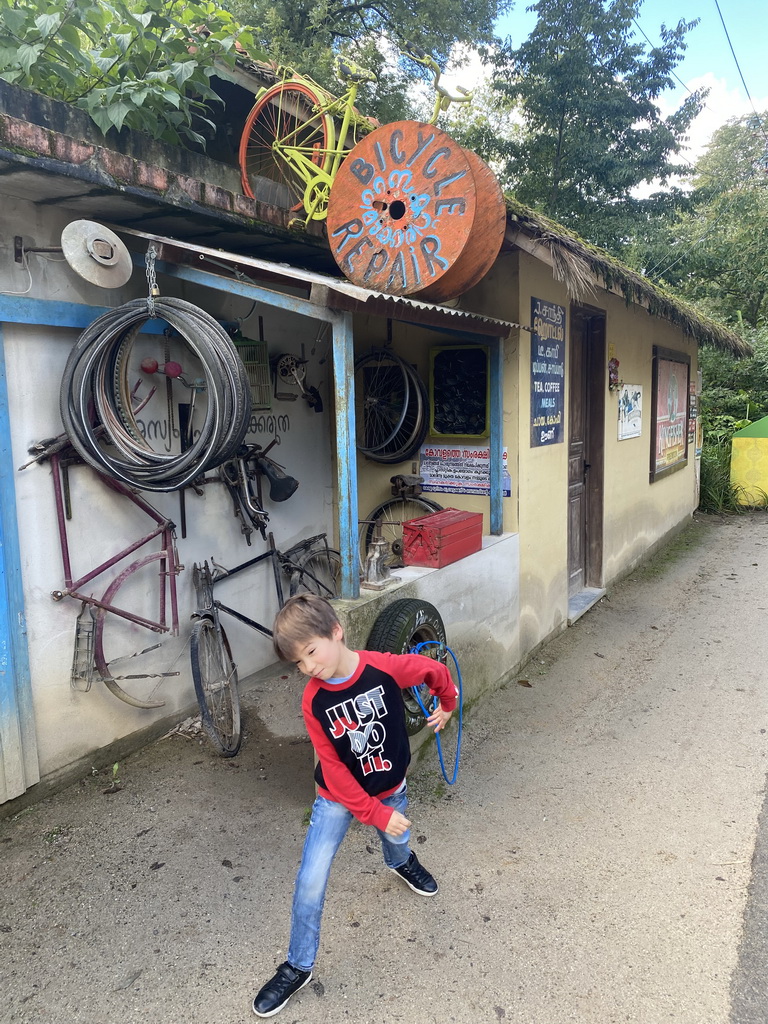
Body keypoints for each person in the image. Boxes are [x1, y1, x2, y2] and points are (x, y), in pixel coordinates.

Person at [252, 593, 457, 1018]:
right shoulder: (313, 700)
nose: (308, 667)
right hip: (336, 798)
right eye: (298, 663)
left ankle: (401, 863)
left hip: (390, 785)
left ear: (336, 632)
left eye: (310, 652)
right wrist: (374, 812)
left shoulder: (382, 667)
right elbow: (334, 769)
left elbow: (433, 670)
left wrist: (448, 702)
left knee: (397, 839)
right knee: (310, 879)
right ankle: (298, 964)